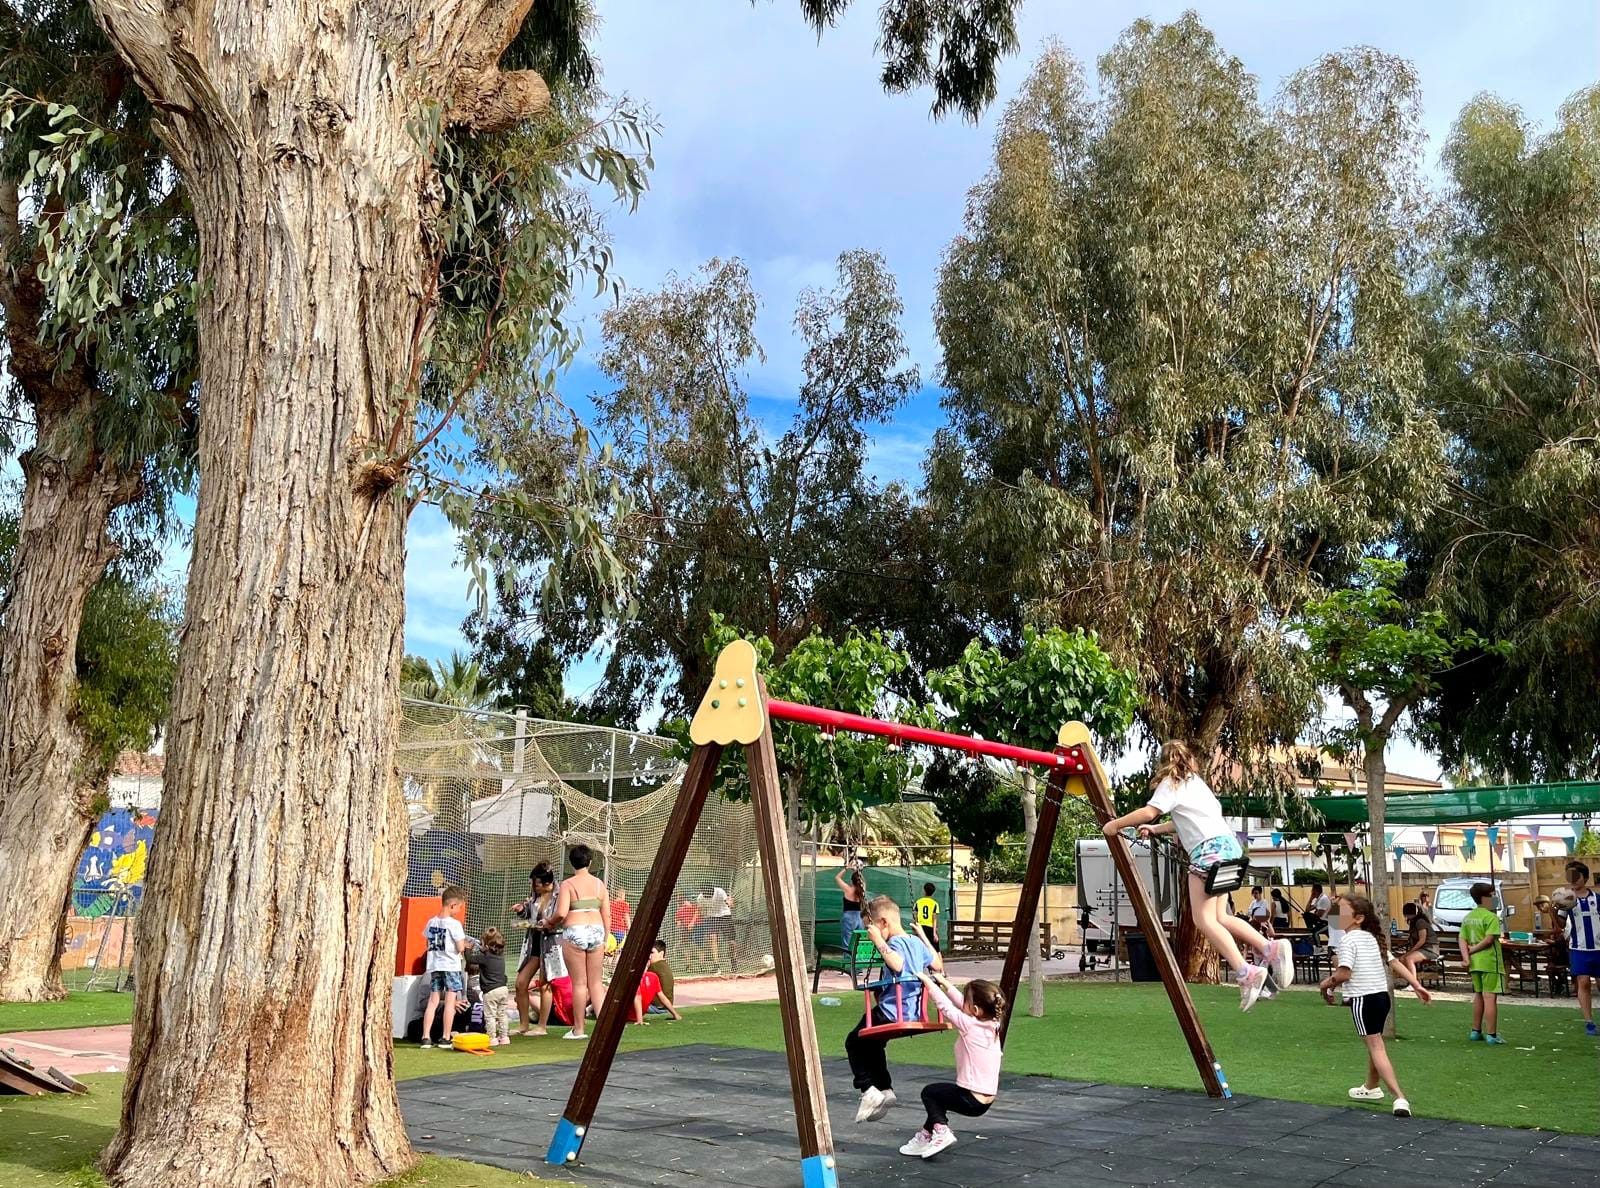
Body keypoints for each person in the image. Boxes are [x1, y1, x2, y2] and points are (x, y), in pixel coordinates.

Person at [1102, 740, 1293, 1010]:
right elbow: (1181, 821)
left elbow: (1150, 812)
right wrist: (1155, 830)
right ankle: (1269, 948)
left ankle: (1247, 972)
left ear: (1165, 763)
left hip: (1207, 852)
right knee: (1221, 916)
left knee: (1202, 920)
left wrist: (1115, 825)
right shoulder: (1197, 785)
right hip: (1229, 847)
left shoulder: (1171, 782)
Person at [1317, 895, 1433, 1117]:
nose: (1334, 913)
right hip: (1382, 998)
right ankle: (1371, 1087)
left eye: (1340, 909)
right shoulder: (1371, 939)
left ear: (1358, 918)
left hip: (1363, 999)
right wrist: (1417, 985)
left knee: (1376, 1046)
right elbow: (1395, 962)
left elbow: (1344, 973)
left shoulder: (1348, 941)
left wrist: (1325, 985)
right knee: (1374, 1042)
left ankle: (1399, 1097)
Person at [848, 895, 939, 1123]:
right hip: (913, 1012)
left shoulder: (895, 943)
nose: (870, 933)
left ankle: (867, 1089)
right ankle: (885, 1089)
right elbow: (937, 964)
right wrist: (923, 937)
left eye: (871, 927)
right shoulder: (915, 942)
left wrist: (879, 941)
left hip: (892, 1011)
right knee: (874, 1044)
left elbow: (899, 966)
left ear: (884, 922)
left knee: (853, 1041)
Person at [898, 971, 1005, 1160]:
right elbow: (962, 1004)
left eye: (967, 1002)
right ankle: (925, 1136)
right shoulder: (993, 1023)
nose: (963, 1003)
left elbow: (946, 1007)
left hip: (971, 1099)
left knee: (930, 1093)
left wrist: (928, 983)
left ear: (976, 1009)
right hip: (984, 1099)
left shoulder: (970, 1026)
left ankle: (942, 1132)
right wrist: (944, 983)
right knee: (941, 1101)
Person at [553, 844, 609, 1041]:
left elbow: (561, 913)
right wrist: (606, 938)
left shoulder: (568, 884)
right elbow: (606, 914)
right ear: (590, 862)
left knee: (579, 983)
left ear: (572, 863)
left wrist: (549, 922)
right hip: (596, 930)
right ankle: (604, 1028)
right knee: (596, 983)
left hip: (575, 930)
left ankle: (578, 1029)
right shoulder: (599, 884)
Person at [420, 885, 473, 1048]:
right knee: (450, 1001)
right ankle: (445, 1036)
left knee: (433, 1001)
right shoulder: (454, 924)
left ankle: (426, 1037)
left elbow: (427, 943)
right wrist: (465, 945)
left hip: (435, 966)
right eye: (459, 907)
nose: (459, 910)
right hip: (451, 966)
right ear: (452, 905)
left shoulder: (431, 922)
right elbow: (460, 947)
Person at [1459, 881, 1507, 1044]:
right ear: (1484, 898)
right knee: (1490, 997)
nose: (1495, 898)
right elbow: (1489, 939)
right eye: (1492, 895)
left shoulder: (1468, 917)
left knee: (1479, 995)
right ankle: (1492, 1035)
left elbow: (1462, 939)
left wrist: (1466, 957)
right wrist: (1473, 950)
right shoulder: (1491, 917)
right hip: (1489, 961)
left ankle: (1475, 1031)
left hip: (1474, 964)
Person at [513, 864, 558, 1036]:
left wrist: (545, 924)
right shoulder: (535, 897)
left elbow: (560, 918)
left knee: (545, 984)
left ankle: (542, 1026)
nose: (534, 886)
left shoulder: (559, 895)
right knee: (520, 983)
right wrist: (521, 910)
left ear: (547, 883)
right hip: (535, 944)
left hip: (551, 944)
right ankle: (523, 1024)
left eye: (537, 883)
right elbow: (530, 916)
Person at [1562, 860, 1598, 1037]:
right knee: (1583, 982)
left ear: (1585, 877)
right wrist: (1553, 911)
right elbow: (1559, 924)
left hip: (1598, 948)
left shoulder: (1597, 899)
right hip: (1578, 948)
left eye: (1577, 875)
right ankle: (1589, 1022)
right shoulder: (1565, 899)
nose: (1573, 879)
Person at [471, 927, 511, 1046]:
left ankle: (492, 1038)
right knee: (502, 1014)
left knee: (490, 1016)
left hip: (490, 991)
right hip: (503, 989)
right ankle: (504, 1037)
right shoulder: (500, 956)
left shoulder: (485, 957)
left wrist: (467, 949)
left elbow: (470, 959)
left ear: (487, 945)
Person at [695, 884, 736, 974]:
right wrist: (693, 921)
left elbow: (728, 902)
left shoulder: (720, 891)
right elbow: (699, 910)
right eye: (705, 894)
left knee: (731, 942)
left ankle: (733, 962)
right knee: (712, 938)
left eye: (709, 895)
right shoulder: (700, 898)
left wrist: (730, 903)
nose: (707, 896)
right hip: (711, 917)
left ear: (712, 891)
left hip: (725, 915)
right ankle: (716, 965)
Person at [1396, 902, 1439, 980]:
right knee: (1402, 959)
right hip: (1423, 949)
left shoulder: (1420, 922)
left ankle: (1413, 981)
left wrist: (1410, 952)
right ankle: (1410, 979)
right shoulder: (1414, 922)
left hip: (1430, 949)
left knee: (1409, 958)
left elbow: (1422, 940)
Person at [835, 861, 868, 951]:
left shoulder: (848, 889)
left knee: (847, 942)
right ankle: (858, 958)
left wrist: (847, 868)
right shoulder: (862, 890)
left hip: (848, 917)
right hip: (859, 917)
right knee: (859, 941)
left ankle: (848, 958)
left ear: (851, 881)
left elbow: (837, 877)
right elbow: (861, 880)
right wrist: (857, 871)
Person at [646, 939, 678, 1017]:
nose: (649, 956)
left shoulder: (654, 967)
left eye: (652, 952)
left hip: (657, 1007)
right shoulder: (664, 965)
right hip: (667, 1007)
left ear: (661, 954)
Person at [914, 882, 943, 953]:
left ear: (924, 891)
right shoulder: (934, 903)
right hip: (930, 928)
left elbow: (916, 917)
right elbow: (934, 919)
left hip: (921, 928)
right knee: (936, 950)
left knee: (920, 949)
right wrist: (934, 933)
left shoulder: (918, 902)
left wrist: (916, 928)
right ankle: (939, 959)